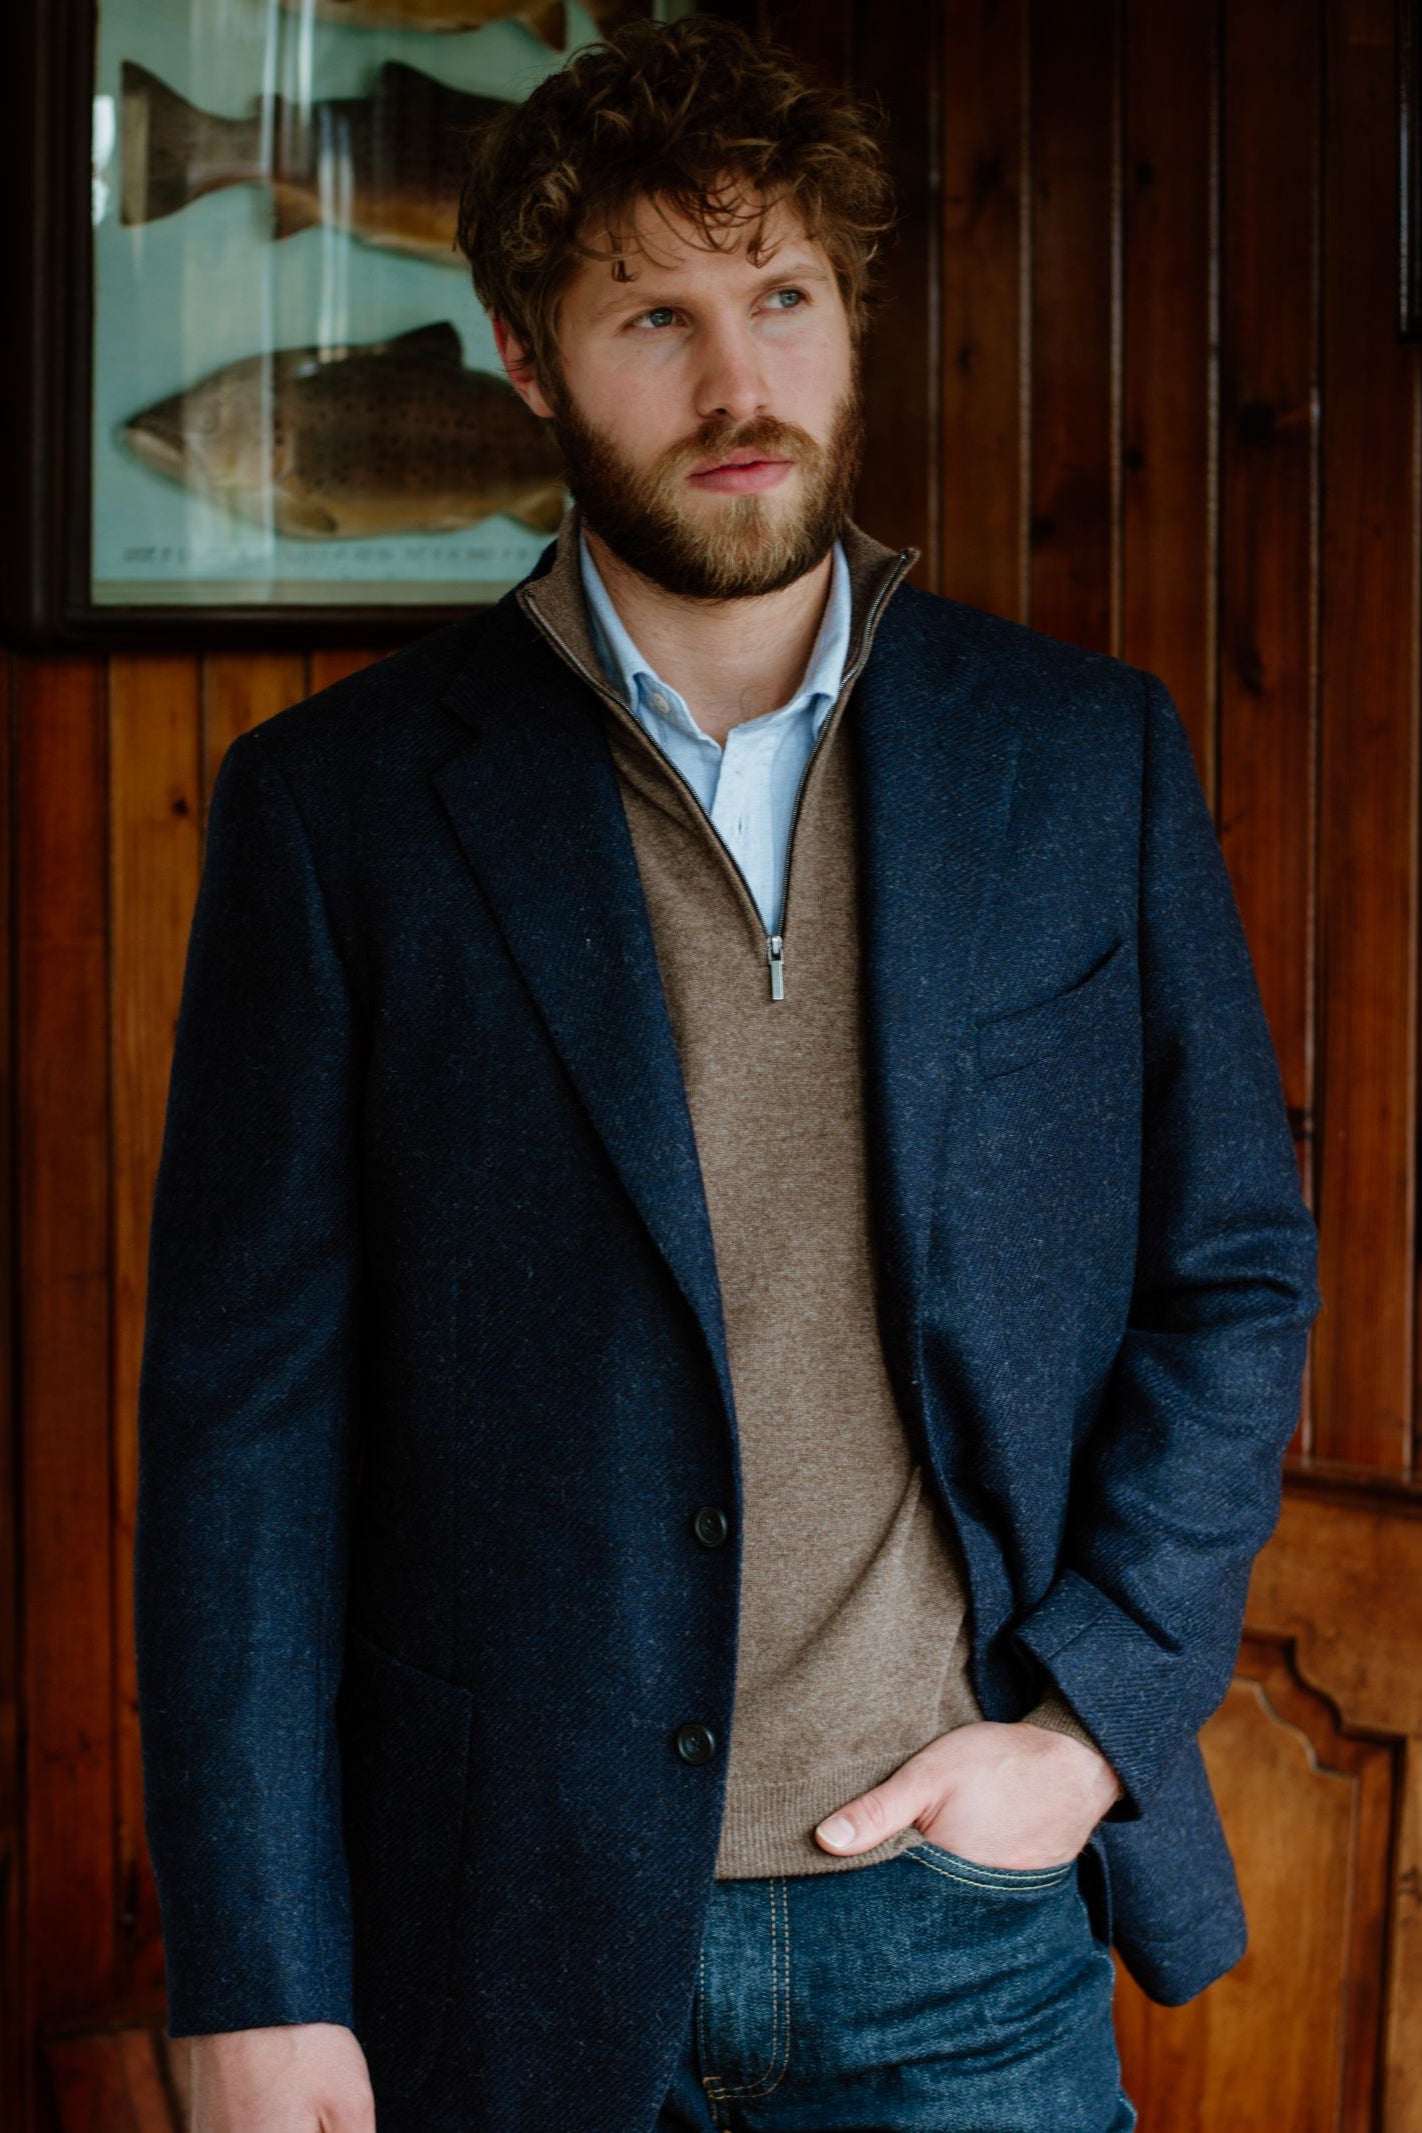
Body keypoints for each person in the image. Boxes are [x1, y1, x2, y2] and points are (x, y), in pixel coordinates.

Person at [132, 16, 1321, 2133]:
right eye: (651, 316)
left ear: (851, 317)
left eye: (782, 296)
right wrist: (253, 1969)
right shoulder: (338, 812)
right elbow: (246, 1433)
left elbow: (1231, 1268)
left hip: (961, 1932)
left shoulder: (1085, 758)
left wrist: (1092, 1717)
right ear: (526, 362)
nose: (735, 382)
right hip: (490, 1938)